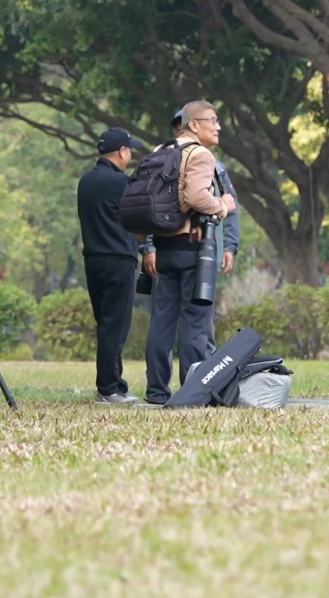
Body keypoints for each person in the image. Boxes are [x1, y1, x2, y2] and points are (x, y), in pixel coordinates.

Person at [143, 100, 237, 404]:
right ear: (193, 125)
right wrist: (222, 206)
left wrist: (148, 245)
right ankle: (192, 392)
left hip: (164, 247)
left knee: (162, 322)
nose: (218, 126)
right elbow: (196, 195)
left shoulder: (160, 151)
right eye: (213, 120)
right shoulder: (200, 154)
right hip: (193, 249)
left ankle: (157, 392)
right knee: (196, 322)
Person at [77, 127, 145, 405]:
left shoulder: (86, 181)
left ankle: (115, 383)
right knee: (115, 327)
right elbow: (140, 219)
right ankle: (108, 389)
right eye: (129, 150)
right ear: (122, 152)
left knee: (105, 324)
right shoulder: (122, 183)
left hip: (93, 260)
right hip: (119, 259)